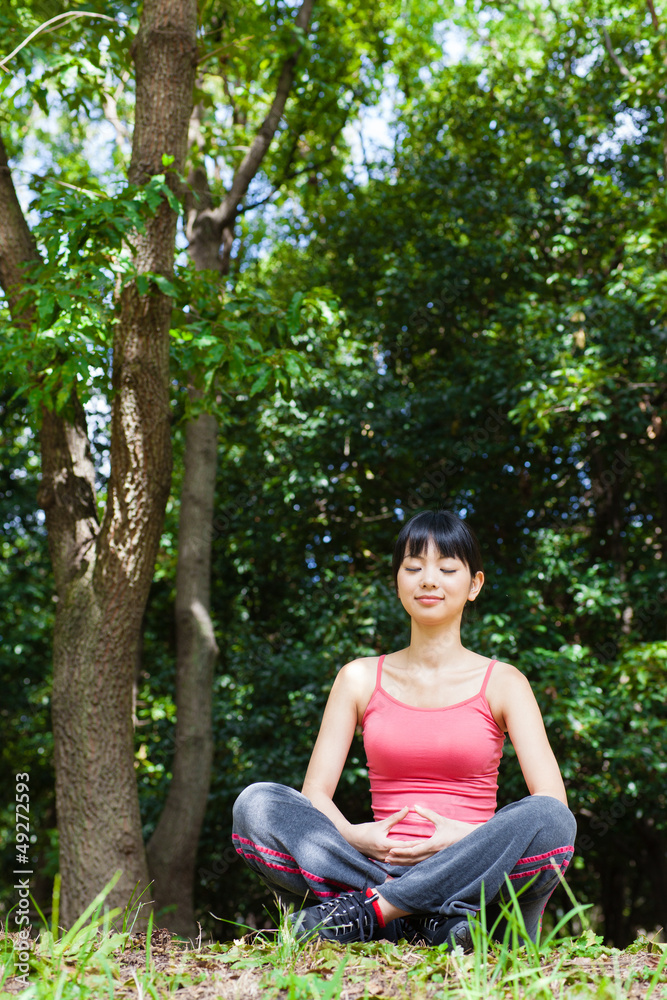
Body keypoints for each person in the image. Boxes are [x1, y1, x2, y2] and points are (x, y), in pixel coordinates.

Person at [232, 509, 576, 948]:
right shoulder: (358, 678)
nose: (429, 580)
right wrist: (357, 835)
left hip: (473, 865)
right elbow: (315, 793)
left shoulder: (505, 682)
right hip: (376, 862)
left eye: (447, 569)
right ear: (398, 580)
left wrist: (466, 837)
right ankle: (426, 918)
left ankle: (377, 912)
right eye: (413, 568)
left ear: (474, 585)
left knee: (549, 819)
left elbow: (553, 801)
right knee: (257, 804)